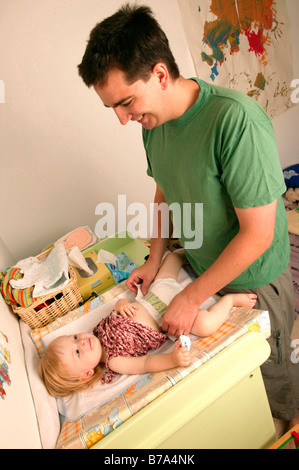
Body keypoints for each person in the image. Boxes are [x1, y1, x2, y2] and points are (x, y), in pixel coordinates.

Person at [77, 4, 299, 426]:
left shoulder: (235, 121)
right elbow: (164, 192)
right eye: (114, 110)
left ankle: (288, 426)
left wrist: (190, 297)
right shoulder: (154, 125)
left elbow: (257, 234)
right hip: (201, 269)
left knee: (273, 376)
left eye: (125, 103)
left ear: (160, 75)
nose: (124, 120)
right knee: (233, 387)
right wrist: (155, 259)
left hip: (254, 281)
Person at [39, 249, 257, 397]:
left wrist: (121, 304)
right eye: (78, 352)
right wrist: (172, 359)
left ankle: (190, 251)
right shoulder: (114, 361)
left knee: (171, 258)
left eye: (74, 338)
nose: (82, 341)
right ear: (87, 374)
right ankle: (229, 301)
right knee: (206, 324)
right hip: (169, 317)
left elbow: (119, 307)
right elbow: (145, 364)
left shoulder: (97, 331)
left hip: (155, 295)